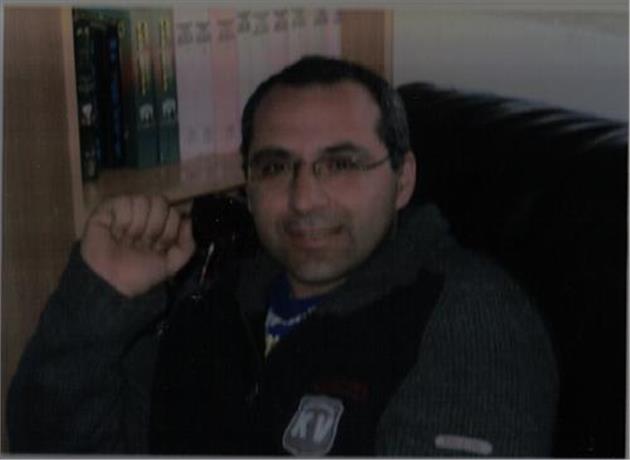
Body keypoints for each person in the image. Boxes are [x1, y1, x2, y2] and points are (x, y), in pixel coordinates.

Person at [7, 56, 558, 456]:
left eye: (340, 164)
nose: (304, 199)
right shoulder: (209, 299)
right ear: (247, 185)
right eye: (275, 167)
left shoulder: (470, 318)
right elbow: (47, 441)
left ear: (402, 179)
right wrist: (101, 297)